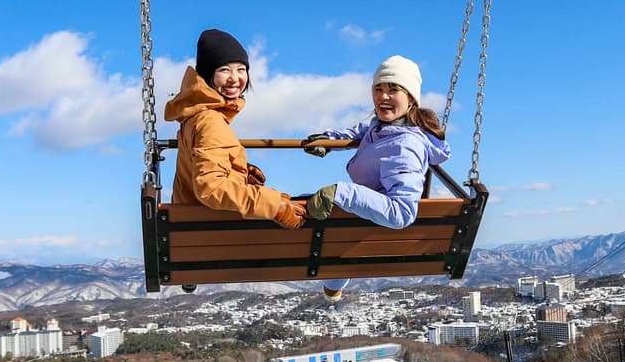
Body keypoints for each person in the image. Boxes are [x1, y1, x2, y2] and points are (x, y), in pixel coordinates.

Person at [300, 55, 449, 299]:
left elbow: (402, 213)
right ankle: (333, 285)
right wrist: (329, 140)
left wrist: (342, 192)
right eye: (378, 89)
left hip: (376, 225)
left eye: (393, 89)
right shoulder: (382, 126)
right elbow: (361, 130)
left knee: (311, 211)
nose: (383, 96)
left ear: (411, 97)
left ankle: (333, 283)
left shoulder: (406, 145)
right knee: (333, 219)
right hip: (360, 220)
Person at [164, 29, 306, 235]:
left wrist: (238, 172)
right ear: (207, 75)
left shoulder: (194, 116)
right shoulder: (211, 121)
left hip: (192, 230)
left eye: (241, 69)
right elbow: (210, 188)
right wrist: (275, 206)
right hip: (213, 234)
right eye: (224, 70)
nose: (235, 78)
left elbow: (202, 168)